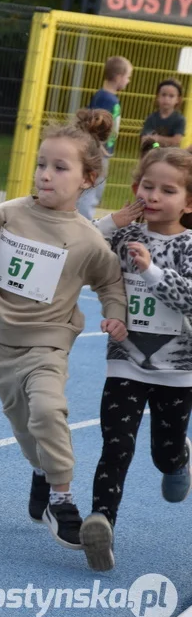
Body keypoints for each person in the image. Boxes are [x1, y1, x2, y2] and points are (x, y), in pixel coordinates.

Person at [0, 109, 128, 549]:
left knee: (48, 412)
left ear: (87, 179)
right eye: (42, 164)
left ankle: (62, 498)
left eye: (60, 168)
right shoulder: (8, 214)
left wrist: (115, 313)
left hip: (47, 347)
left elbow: (111, 281)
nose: (46, 175)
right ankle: (40, 471)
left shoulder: (88, 239)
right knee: (24, 429)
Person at [80, 145, 192, 571]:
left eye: (168, 189)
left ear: (189, 201)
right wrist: (112, 222)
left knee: (161, 453)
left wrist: (150, 271)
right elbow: (79, 244)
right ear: (135, 188)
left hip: (178, 370)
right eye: (148, 186)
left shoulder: (188, 246)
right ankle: (101, 525)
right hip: (125, 362)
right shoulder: (125, 235)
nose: (155, 196)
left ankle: (178, 458)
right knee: (116, 446)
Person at [78, 55, 132, 219]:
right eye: (128, 77)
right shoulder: (106, 98)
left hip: (102, 151)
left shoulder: (108, 97)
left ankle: (85, 217)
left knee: (96, 189)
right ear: (118, 77)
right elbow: (92, 122)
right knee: (92, 188)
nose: (128, 81)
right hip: (98, 152)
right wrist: (99, 147)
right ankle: (84, 220)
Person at [141, 78, 185, 148]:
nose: (166, 99)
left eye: (171, 96)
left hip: (170, 155)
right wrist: (156, 145)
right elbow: (145, 139)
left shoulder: (179, 119)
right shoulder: (151, 118)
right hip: (152, 154)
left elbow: (176, 141)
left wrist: (157, 138)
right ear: (158, 97)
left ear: (178, 100)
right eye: (163, 95)